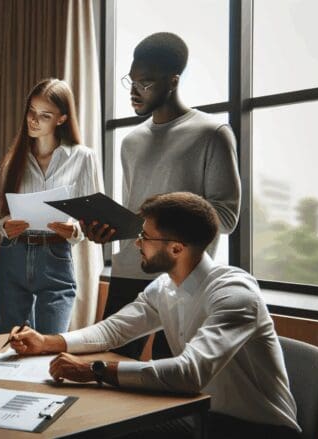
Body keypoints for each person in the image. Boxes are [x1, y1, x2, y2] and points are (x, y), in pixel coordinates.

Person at [10, 192, 299, 438]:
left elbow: (189, 373)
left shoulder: (233, 294)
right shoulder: (165, 286)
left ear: (176, 248)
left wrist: (94, 371)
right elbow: (113, 331)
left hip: (259, 430)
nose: (138, 243)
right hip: (203, 416)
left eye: (145, 236)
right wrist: (48, 342)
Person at [81, 32, 241, 359]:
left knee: (171, 381)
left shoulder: (212, 134)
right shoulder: (131, 142)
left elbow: (227, 217)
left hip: (181, 278)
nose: (135, 91)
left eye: (147, 82)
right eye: (132, 80)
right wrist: (109, 232)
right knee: (106, 369)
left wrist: (166, 220)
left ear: (173, 81)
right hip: (129, 270)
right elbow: (134, 214)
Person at [0, 78, 103, 335]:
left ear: (61, 119)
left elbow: (94, 218)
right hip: (13, 254)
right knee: (7, 344)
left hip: (56, 256)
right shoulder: (14, 160)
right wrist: (4, 226)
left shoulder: (82, 157)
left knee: (50, 346)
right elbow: (2, 217)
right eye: (31, 111)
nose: (33, 120)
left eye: (44, 115)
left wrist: (74, 230)